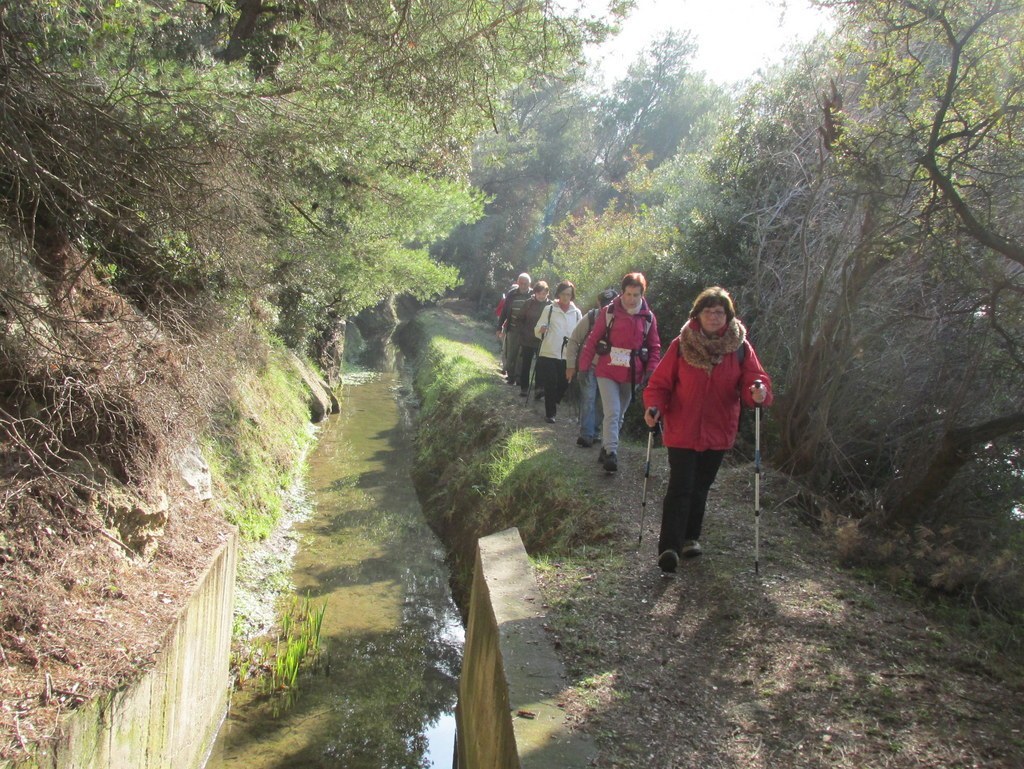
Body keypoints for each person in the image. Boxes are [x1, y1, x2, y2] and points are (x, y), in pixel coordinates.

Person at [642, 286, 773, 573]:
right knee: (681, 485)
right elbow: (660, 385)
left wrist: (758, 393)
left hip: (718, 430)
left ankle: (690, 537)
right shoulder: (682, 344)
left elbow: (755, 382)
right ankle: (669, 548)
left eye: (720, 312)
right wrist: (654, 408)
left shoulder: (740, 348)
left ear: (728, 316)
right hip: (682, 428)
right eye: (708, 311)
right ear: (697, 315)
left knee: (700, 486)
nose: (714, 317)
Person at [573, 272, 661, 473]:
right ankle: (612, 453)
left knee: (619, 414)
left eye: (635, 295)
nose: (631, 299)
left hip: (633, 374)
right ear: (622, 293)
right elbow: (593, 340)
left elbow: (655, 347)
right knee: (612, 411)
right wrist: (583, 367)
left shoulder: (648, 318)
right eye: (628, 294)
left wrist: (651, 371)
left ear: (642, 295)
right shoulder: (609, 311)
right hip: (607, 371)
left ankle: (605, 447)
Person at [564, 287, 618, 448]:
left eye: (611, 304)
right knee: (588, 399)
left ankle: (593, 431)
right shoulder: (591, 317)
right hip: (589, 366)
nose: (607, 308)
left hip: (610, 370)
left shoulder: (623, 319)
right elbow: (574, 340)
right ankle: (587, 434)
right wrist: (571, 365)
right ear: (599, 304)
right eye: (605, 305)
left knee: (602, 403)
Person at [534, 281, 582, 423]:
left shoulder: (577, 313)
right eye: (563, 294)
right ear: (558, 294)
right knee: (551, 382)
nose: (566, 297)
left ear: (572, 296)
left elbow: (580, 333)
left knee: (564, 383)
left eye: (569, 294)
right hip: (549, 351)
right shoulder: (549, 309)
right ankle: (550, 414)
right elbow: (538, 328)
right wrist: (541, 329)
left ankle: (553, 400)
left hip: (567, 355)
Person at [496, 273, 532, 386]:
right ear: (517, 282)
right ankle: (511, 377)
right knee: (511, 354)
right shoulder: (512, 294)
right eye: (521, 283)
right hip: (512, 328)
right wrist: (499, 327)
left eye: (525, 283)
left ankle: (519, 378)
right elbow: (504, 312)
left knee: (521, 356)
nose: (523, 285)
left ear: (529, 284)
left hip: (526, 331)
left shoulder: (533, 295)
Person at [517, 281, 550, 397]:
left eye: (544, 293)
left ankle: (538, 389)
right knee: (526, 364)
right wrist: (523, 332)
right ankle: (524, 388)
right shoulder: (528, 303)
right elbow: (520, 319)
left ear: (547, 294)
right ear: (535, 293)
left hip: (542, 340)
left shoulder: (550, 306)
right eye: (539, 293)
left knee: (541, 366)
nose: (541, 296)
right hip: (527, 339)